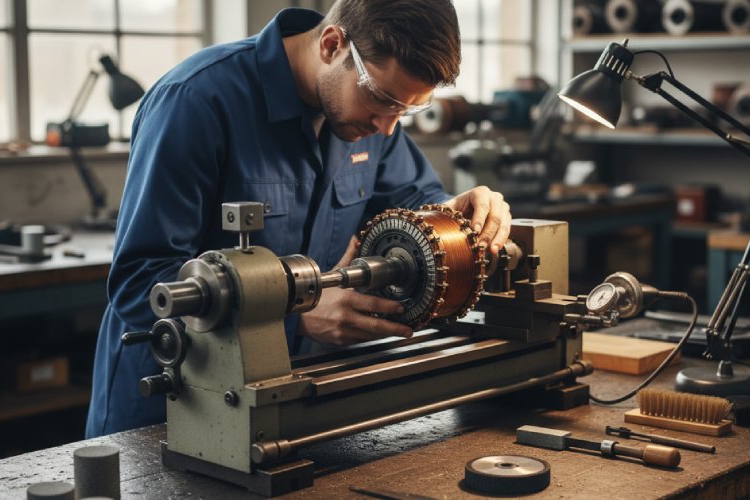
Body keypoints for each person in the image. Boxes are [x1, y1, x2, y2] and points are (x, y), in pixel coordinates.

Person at [86, 0, 511, 438]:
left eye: (407, 110)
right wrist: (294, 316)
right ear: (332, 45)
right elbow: (141, 284)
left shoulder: (371, 114)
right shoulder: (195, 101)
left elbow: (416, 198)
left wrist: (456, 210)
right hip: (169, 407)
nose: (388, 128)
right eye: (383, 101)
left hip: (289, 402)